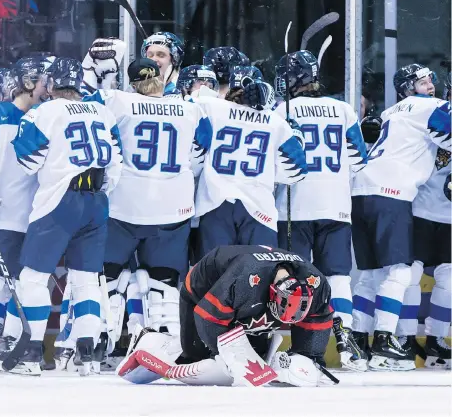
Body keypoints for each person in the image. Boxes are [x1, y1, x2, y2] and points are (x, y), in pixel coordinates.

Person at [84, 58, 212, 352]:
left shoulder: (116, 100)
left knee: (108, 276)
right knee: (164, 280)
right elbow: (199, 152)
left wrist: (102, 78)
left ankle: (100, 340)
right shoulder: (190, 108)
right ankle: (166, 341)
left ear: (132, 83)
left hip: (123, 206)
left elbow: (81, 107)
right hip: (172, 207)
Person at [7, 57, 122, 376]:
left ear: (52, 84)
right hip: (97, 201)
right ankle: (89, 354)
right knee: (86, 279)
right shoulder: (102, 111)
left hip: (59, 200)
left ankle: (31, 354)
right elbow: (117, 161)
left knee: (32, 277)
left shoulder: (44, 112)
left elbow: (28, 161)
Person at [350, 63, 451, 371]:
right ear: (409, 87)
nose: (429, 85)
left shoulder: (393, 112)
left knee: (369, 276)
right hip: (393, 193)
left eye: (430, 80)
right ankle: (386, 343)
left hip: (360, 189)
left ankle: (358, 345)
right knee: (400, 273)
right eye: (422, 81)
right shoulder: (431, 107)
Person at [273, 50, 368, 372]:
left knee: (297, 278)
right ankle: (345, 337)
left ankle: (303, 346)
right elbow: (359, 160)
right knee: (338, 275)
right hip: (335, 206)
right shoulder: (342, 109)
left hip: (294, 206)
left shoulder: (282, 109)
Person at [117, 245, 333, 387]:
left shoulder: (316, 283)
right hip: (204, 292)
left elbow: (319, 319)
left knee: (256, 360)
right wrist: (224, 355)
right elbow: (207, 315)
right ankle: (149, 338)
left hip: (251, 296)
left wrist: (309, 357)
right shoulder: (244, 279)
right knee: (199, 357)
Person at [193, 66, 307, 261]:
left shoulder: (210, 107)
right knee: (258, 280)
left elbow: (181, 107)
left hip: (215, 205)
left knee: (214, 279)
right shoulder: (276, 121)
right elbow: (296, 172)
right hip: (258, 208)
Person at [0, 57, 50, 370]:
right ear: (27, 82)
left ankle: (8, 343)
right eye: (42, 81)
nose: (48, 87)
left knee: (26, 285)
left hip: (40, 216)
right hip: (4, 213)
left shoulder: (48, 115)